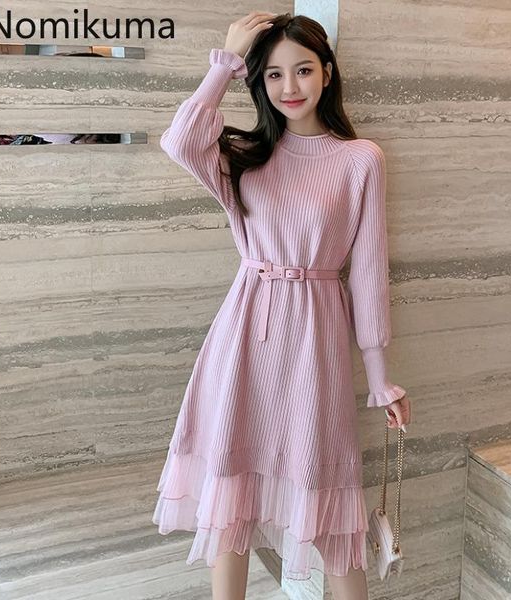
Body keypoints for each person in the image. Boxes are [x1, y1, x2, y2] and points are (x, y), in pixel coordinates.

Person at [151, 10, 412, 600]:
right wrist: (225, 62)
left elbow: (369, 273)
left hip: (316, 340)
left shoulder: (360, 159)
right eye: (273, 74)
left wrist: (379, 379)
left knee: (329, 493)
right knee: (232, 491)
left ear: (327, 73)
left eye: (303, 70)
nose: (289, 86)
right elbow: (179, 141)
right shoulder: (243, 155)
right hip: (245, 332)